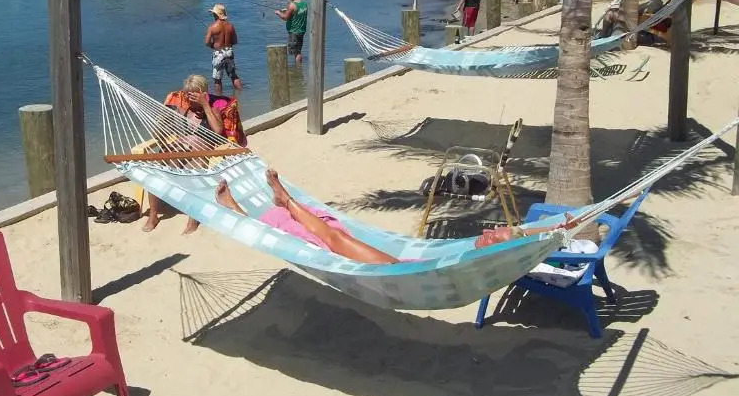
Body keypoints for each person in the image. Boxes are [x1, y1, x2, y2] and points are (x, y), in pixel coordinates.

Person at [214, 168, 560, 263]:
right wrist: (556, 227)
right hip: (411, 261)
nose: (488, 231)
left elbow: (335, 241)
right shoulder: (469, 253)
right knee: (325, 232)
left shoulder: (468, 263)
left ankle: (279, 203)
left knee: (330, 237)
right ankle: (282, 204)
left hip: (397, 269)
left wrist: (290, 201)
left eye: (495, 235)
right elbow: (516, 238)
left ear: (495, 249)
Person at [144, 74, 246, 234]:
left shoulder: (212, 110)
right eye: (187, 94)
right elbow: (162, 134)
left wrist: (204, 105)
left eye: (193, 94)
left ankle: (193, 218)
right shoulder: (182, 110)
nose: (189, 98)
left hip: (200, 152)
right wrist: (162, 123)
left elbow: (218, 132)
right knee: (156, 170)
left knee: (193, 171)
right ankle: (153, 215)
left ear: (203, 93)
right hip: (180, 149)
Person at [204, 3, 242, 94]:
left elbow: (207, 42)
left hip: (218, 53)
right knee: (233, 75)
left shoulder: (212, 27)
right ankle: (241, 94)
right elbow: (235, 41)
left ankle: (219, 98)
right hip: (229, 51)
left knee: (217, 79)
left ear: (215, 14)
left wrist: (212, 45)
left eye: (213, 14)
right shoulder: (230, 26)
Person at [275, 0, 308, 64]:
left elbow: (285, 17)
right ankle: (299, 67)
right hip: (301, 31)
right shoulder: (304, 4)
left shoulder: (292, 5)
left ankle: (297, 68)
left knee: (296, 52)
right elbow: (297, 12)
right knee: (298, 50)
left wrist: (279, 13)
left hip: (294, 31)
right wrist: (287, 10)